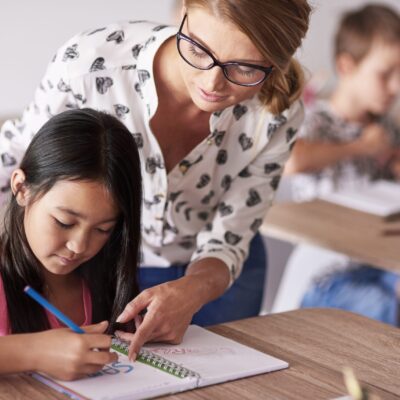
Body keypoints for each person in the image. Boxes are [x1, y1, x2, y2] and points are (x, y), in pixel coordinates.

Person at [0, 0, 311, 358]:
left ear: (276, 63)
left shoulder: (275, 112)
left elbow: (232, 234)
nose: (212, 83)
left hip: (218, 274)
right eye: (197, 48)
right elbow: (20, 157)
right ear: (181, 12)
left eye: (243, 68)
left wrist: (193, 288)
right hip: (111, 268)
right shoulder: (88, 65)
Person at [0, 108, 142, 379]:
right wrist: (33, 352)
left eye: (103, 229)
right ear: (21, 188)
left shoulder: (105, 279)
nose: (79, 246)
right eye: (64, 222)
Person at [285, 4, 400, 325]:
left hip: (377, 263)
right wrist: (360, 146)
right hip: (326, 270)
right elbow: (291, 161)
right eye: (385, 74)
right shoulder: (315, 120)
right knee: (378, 303)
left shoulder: (386, 127)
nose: (395, 86)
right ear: (346, 66)